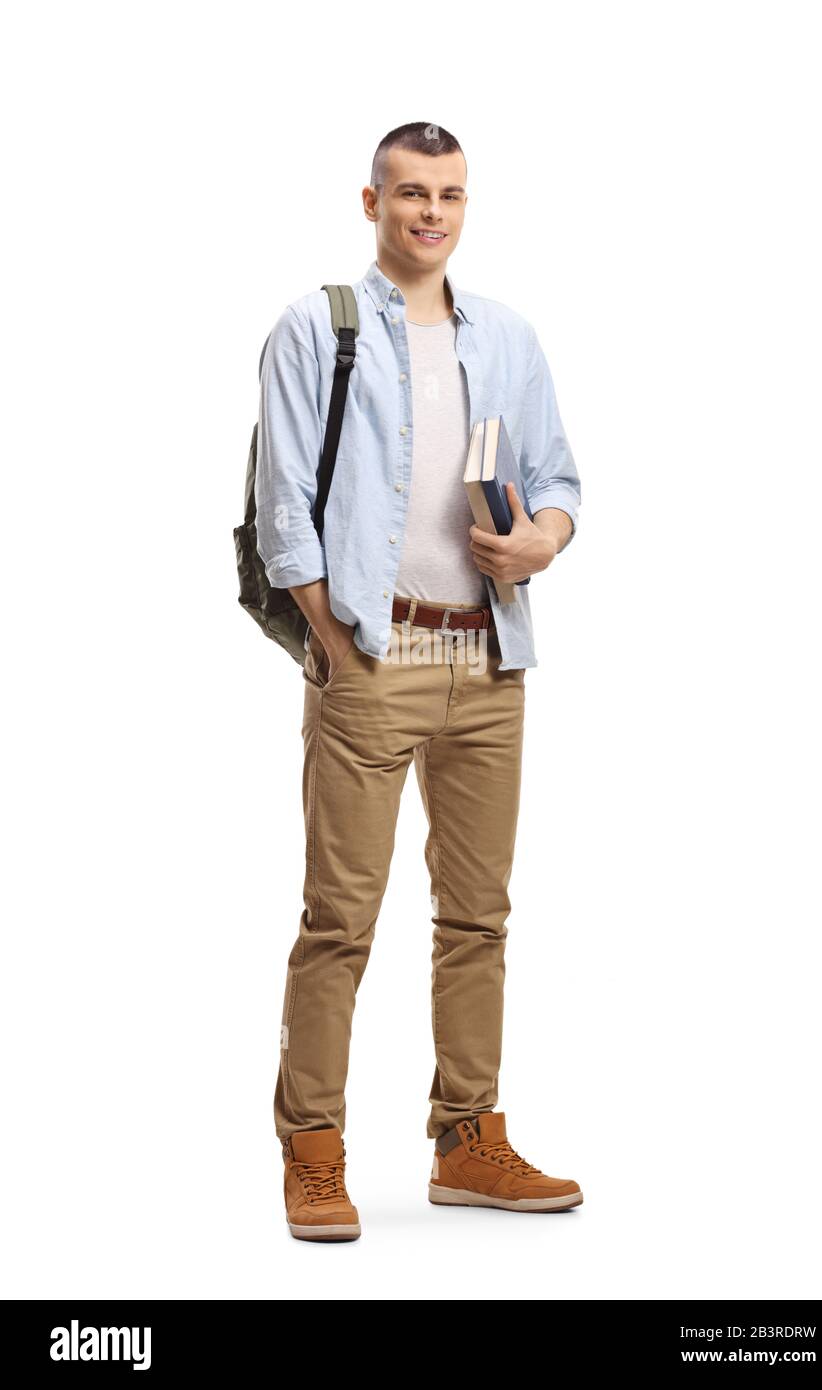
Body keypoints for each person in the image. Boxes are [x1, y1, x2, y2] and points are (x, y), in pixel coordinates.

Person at [256, 122, 583, 1243]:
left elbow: (556, 479)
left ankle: (466, 1141)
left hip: (489, 657)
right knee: (339, 919)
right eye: (407, 193)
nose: (428, 212)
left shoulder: (507, 337)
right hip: (371, 660)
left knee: (478, 918)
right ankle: (313, 1148)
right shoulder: (316, 327)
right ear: (371, 202)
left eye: (446, 193)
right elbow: (284, 501)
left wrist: (540, 540)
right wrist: (330, 645)